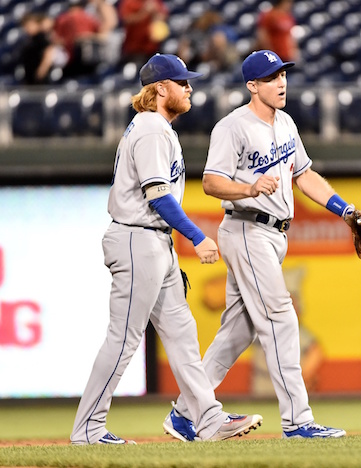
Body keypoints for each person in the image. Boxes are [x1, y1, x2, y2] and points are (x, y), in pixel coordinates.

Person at [162, 50, 361, 440]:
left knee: (238, 332)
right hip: (247, 229)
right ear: (252, 85)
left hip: (275, 234)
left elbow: (304, 175)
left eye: (283, 74)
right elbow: (211, 182)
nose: (281, 82)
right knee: (281, 319)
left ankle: (186, 414)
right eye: (271, 78)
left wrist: (348, 211)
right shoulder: (232, 127)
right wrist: (249, 188)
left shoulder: (285, 123)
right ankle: (298, 422)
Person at [70, 54, 262, 445]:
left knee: (182, 334)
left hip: (153, 241)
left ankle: (206, 420)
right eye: (182, 82)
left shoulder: (158, 127)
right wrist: (197, 236)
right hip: (137, 237)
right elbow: (158, 196)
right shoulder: (153, 129)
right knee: (123, 339)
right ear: (161, 88)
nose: (189, 88)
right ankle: (88, 429)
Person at [52, 0, 118, 80]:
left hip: (106, 48)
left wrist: (89, 35)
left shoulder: (103, 6)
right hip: (82, 51)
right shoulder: (87, 8)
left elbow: (109, 26)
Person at [118, 0, 169, 67]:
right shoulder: (129, 2)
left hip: (152, 49)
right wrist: (144, 12)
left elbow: (163, 17)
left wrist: (155, 12)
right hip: (133, 49)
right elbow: (126, 19)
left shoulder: (155, 2)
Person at [17, 13, 58, 85]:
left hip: (40, 77)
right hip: (30, 75)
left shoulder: (41, 37)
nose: (28, 28)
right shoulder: (29, 39)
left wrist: (42, 69)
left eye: (30, 25)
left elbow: (49, 53)